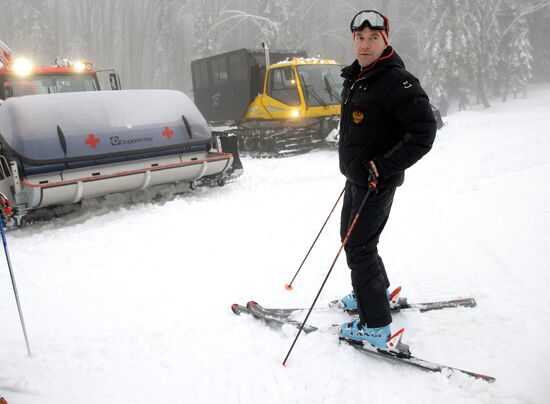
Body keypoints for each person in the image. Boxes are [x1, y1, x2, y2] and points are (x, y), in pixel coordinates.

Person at [336, 10, 437, 349]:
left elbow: (423, 131)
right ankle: (375, 293)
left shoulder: (396, 81)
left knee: (359, 247)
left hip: (376, 182)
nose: (365, 44)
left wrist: (384, 165)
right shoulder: (360, 75)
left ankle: (376, 324)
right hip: (357, 178)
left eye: (373, 38)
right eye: (360, 38)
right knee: (354, 242)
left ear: (385, 40)